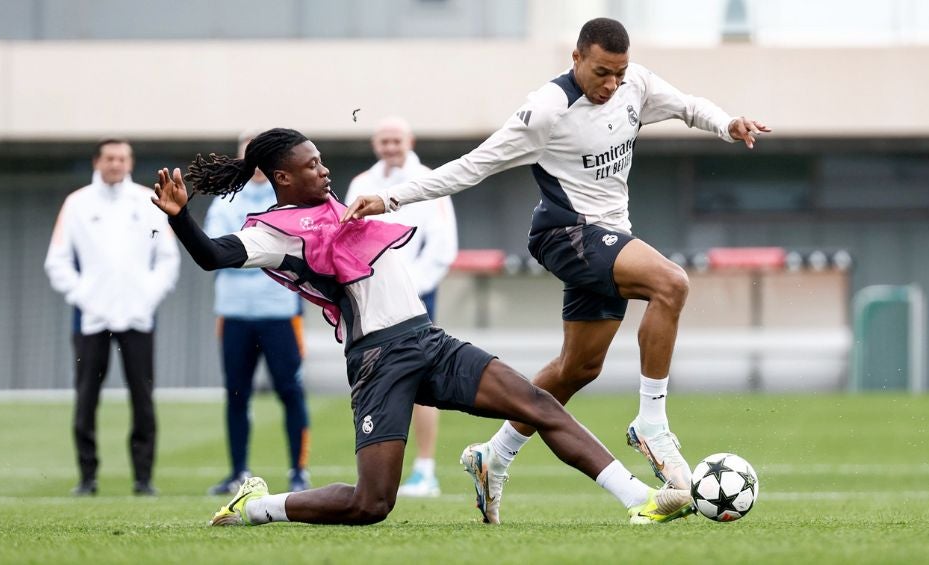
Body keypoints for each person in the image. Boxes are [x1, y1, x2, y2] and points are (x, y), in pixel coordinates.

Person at [342, 17, 771, 523]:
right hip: (565, 234)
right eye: (601, 72)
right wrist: (389, 197)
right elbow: (472, 166)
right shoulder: (544, 111)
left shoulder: (635, 84)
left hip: (609, 235)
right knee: (670, 282)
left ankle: (492, 456)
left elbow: (689, 107)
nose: (611, 84)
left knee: (577, 369)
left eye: (619, 72)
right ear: (576, 59)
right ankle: (652, 425)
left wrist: (728, 125)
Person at [150, 127, 692, 526]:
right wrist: (180, 218)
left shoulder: (336, 203)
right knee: (372, 504)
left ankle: (640, 500)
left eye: (321, 161)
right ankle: (260, 507)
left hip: (428, 339)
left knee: (538, 403)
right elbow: (212, 256)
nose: (324, 170)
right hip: (379, 361)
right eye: (312, 165)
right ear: (283, 177)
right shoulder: (273, 233)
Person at [44, 138, 180, 496]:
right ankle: (87, 477)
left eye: (122, 158)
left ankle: (143, 479)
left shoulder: (148, 202)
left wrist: (148, 296)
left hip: (138, 317)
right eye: (110, 158)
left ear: (130, 161)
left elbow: (167, 257)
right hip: (92, 318)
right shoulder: (77, 204)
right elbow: (57, 261)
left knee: (143, 399)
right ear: (97, 161)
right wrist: (84, 296)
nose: (116, 164)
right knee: (86, 398)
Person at [346, 117, 458, 498]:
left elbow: (443, 246)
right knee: (374, 377)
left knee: (422, 382)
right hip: (370, 299)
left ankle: (425, 470)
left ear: (409, 140)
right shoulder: (361, 184)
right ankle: (377, 470)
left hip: (416, 298)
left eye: (396, 139)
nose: (390, 146)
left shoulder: (430, 179)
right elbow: (347, 238)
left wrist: (412, 288)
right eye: (384, 140)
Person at [203, 130, 312, 495]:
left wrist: (247, 251)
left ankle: (299, 471)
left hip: (280, 312)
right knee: (236, 394)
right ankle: (238, 472)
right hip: (234, 313)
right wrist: (265, 253)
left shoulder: (291, 197)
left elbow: (297, 248)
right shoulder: (224, 200)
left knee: (290, 391)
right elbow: (216, 253)